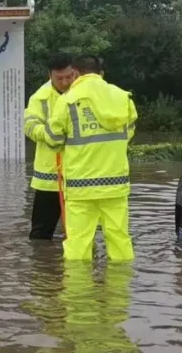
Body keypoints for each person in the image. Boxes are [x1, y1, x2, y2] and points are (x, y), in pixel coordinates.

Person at [39, 55, 137, 261]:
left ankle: (78, 290)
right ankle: (119, 290)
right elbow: (127, 135)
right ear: (99, 71)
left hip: (80, 187)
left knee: (78, 245)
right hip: (115, 184)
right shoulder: (122, 97)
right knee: (120, 241)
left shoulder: (67, 100)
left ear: (75, 72)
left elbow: (53, 140)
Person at [24, 53, 77, 240]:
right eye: (59, 78)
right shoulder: (40, 97)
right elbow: (29, 126)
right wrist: (50, 135)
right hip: (49, 177)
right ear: (50, 76)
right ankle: (42, 266)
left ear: (76, 72)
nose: (64, 82)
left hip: (79, 176)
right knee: (40, 235)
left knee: (80, 234)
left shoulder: (84, 93)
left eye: (69, 77)